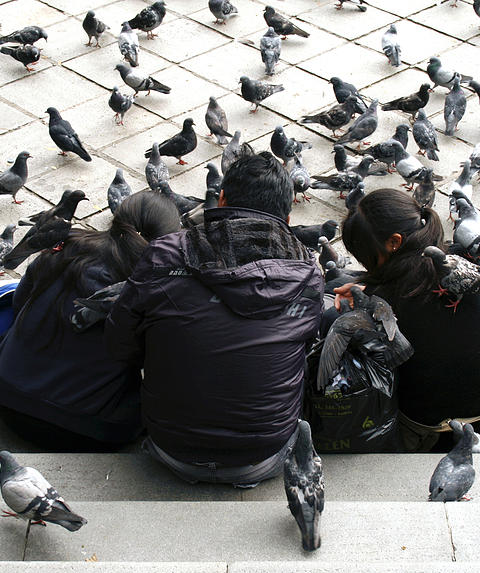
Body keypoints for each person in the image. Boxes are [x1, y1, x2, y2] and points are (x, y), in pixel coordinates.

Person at [105, 152, 324, 487]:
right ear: (289, 217)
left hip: (171, 446)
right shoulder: (308, 276)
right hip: (262, 456)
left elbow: (119, 343)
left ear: (221, 198)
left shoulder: (164, 253)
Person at [0, 191, 182, 451]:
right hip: (90, 428)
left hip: (6, 399)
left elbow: (19, 304)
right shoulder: (157, 288)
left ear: (116, 220)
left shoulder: (64, 248)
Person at [334, 189, 480, 452]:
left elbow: (402, 302)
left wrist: (368, 299)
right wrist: (370, 291)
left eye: (366, 257)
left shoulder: (385, 303)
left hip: (438, 434)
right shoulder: (462, 261)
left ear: (394, 242)